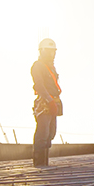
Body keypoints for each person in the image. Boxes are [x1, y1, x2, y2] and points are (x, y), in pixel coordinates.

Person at [31, 38, 62, 168]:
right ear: (43, 51)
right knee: (43, 132)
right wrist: (49, 100)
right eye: (49, 52)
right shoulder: (38, 66)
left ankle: (45, 161)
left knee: (51, 132)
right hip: (45, 102)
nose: (52, 55)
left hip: (53, 100)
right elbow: (39, 85)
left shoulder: (52, 68)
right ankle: (39, 163)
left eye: (53, 52)